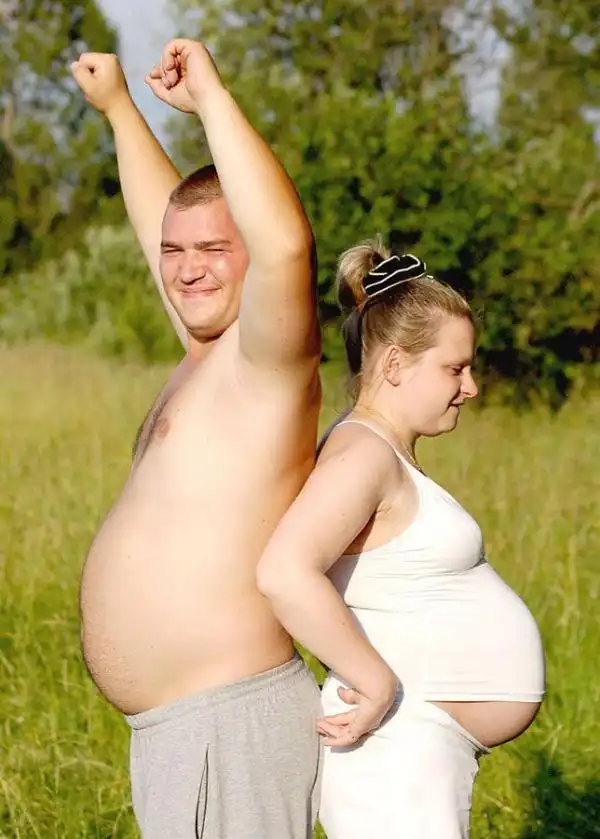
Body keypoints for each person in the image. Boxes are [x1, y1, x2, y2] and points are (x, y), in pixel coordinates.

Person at [70, 40, 322, 839]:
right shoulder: (204, 358)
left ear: (253, 262)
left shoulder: (268, 365)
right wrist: (120, 108)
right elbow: (162, 220)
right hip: (188, 734)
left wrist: (211, 97)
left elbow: (285, 244)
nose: (187, 270)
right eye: (176, 253)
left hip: (231, 727)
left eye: (215, 250)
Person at [257, 242, 546, 838]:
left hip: (416, 750)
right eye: (455, 368)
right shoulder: (364, 454)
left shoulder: (377, 448)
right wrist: (375, 681)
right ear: (393, 364)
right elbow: (284, 571)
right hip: (393, 751)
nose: (471, 387)